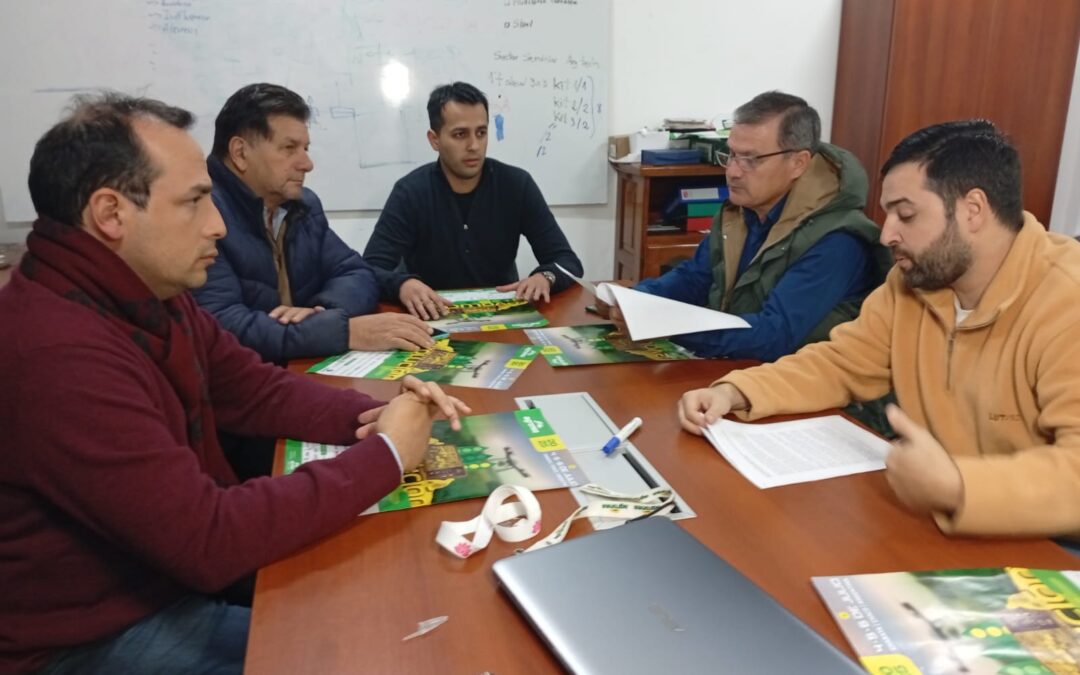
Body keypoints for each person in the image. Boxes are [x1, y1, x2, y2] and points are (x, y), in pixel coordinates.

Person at [0, 93, 469, 674]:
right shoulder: (56, 352)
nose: (217, 224)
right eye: (195, 202)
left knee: (392, 606)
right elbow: (208, 539)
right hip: (92, 634)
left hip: (165, 576)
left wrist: (375, 414)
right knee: (358, 652)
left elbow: (253, 390)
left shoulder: (144, 290)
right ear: (111, 214)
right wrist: (388, 454)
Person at [679, 120, 1080, 538]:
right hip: (939, 518)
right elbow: (841, 364)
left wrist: (959, 485)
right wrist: (736, 391)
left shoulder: (1067, 299)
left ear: (973, 210)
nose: (887, 234)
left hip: (1052, 543)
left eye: (906, 214)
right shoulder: (913, 283)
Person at [602, 91, 891, 362]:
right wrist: (638, 300)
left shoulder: (837, 240)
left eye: (751, 159)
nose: (733, 172)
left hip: (799, 385)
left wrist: (663, 324)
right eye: (731, 155)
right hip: (734, 368)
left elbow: (773, 336)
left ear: (798, 163)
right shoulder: (740, 212)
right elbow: (696, 278)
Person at [193, 83, 435, 365]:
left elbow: (355, 272)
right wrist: (340, 331)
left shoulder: (303, 206)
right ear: (240, 153)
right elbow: (222, 325)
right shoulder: (202, 215)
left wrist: (324, 314)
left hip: (300, 367)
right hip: (241, 383)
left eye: (305, 148)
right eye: (289, 148)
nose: (307, 164)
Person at [363, 81, 584, 319]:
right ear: (434, 139)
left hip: (502, 319)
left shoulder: (517, 185)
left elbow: (567, 261)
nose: (474, 146)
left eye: (481, 132)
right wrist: (402, 285)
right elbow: (369, 270)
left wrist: (546, 277)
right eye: (460, 135)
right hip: (432, 318)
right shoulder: (410, 192)